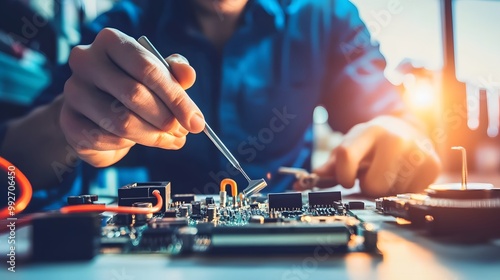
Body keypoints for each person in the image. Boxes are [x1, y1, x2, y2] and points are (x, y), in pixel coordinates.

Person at [0, 0, 440, 211]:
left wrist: (405, 136)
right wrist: (68, 127)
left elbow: (392, 120)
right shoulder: (123, 26)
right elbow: (11, 166)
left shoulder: (325, 16)